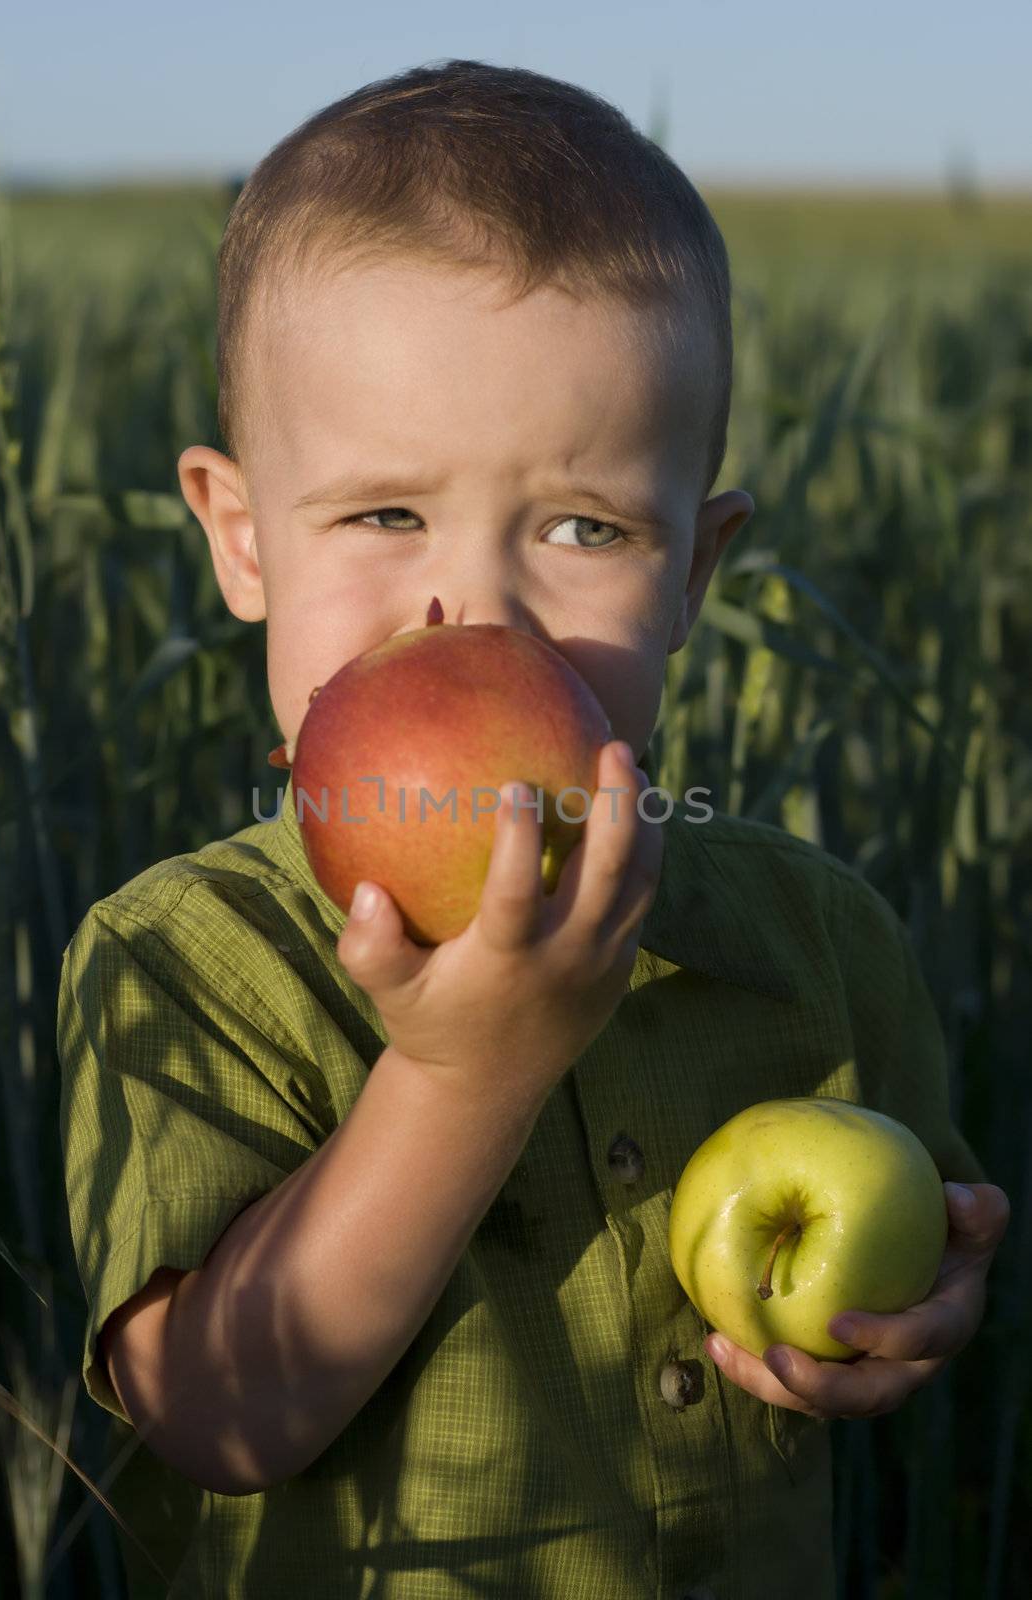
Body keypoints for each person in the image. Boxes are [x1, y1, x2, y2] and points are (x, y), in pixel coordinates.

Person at [57, 58, 1010, 1599]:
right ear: (241, 540)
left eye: (585, 529)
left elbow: (931, 1226)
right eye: (382, 515)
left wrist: (918, 1307)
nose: (477, 611)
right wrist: (461, 1074)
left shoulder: (813, 938)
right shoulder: (181, 966)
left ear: (694, 573)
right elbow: (219, 1411)